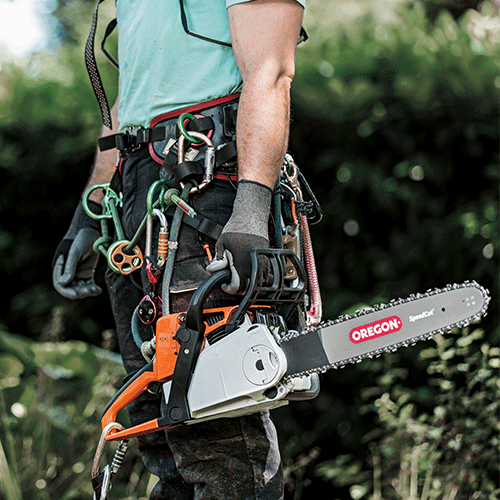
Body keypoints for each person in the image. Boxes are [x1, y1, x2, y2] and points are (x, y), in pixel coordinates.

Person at [53, 1, 305, 498]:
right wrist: (93, 205)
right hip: (138, 192)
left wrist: (251, 211)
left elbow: (270, 69)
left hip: (206, 184)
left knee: (218, 438)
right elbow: (134, 102)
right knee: (166, 435)